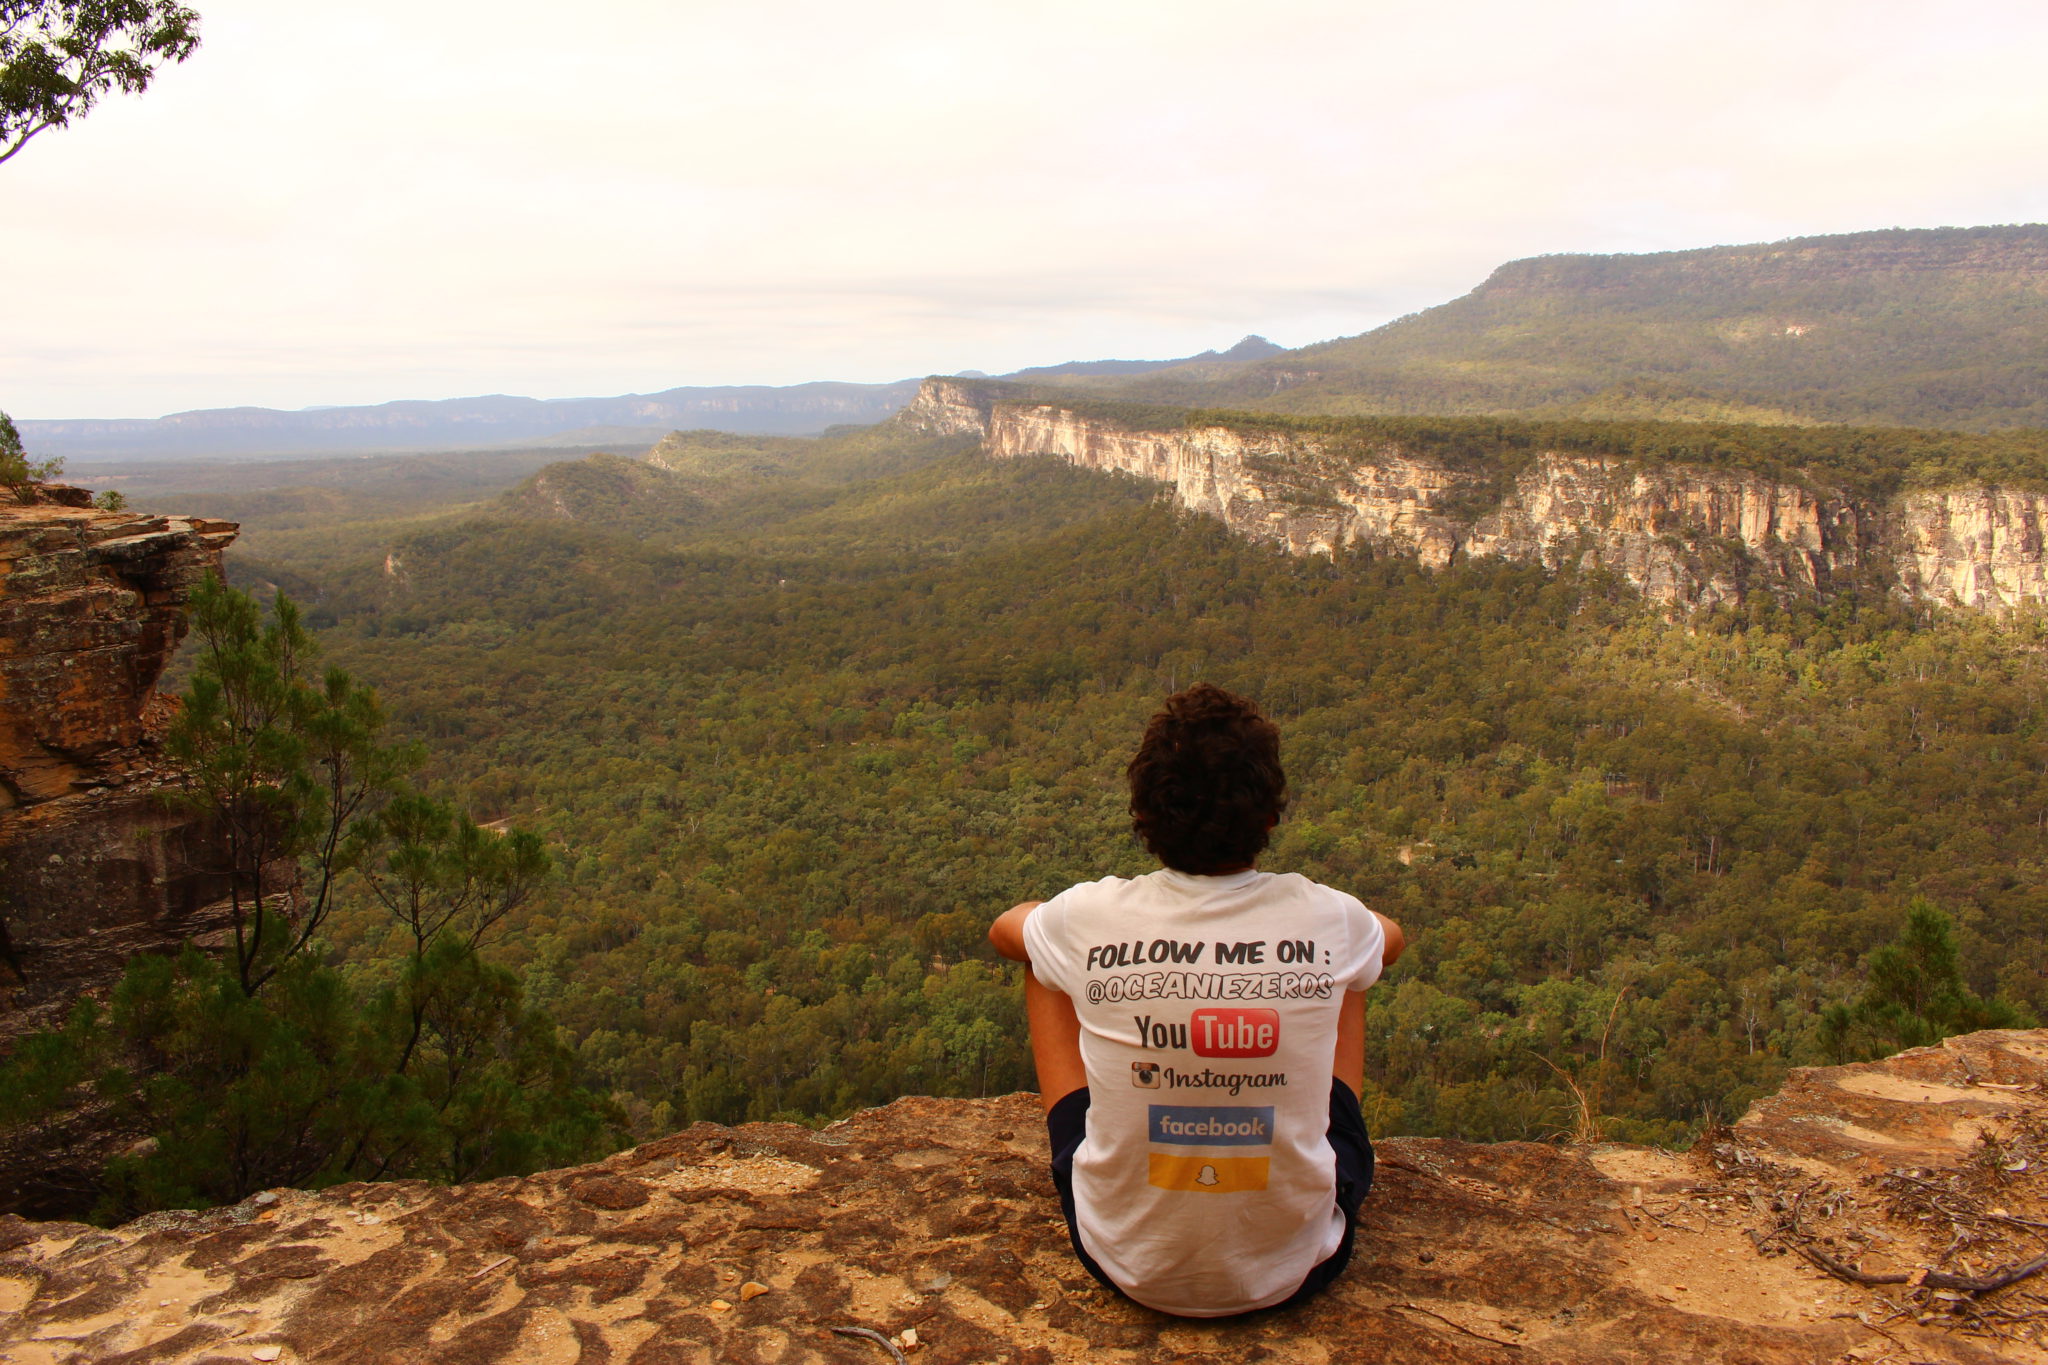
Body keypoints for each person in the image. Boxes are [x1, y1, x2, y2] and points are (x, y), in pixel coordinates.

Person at [990, 683, 1405, 1317]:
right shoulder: (1330, 919)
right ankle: (1321, 1137)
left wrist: (1052, 925)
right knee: (1352, 973)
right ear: (1268, 817)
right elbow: (1391, 940)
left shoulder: (1090, 915)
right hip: (1295, 1268)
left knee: (1041, 964)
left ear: (1146, 813)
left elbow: (1005, 930)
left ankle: (1073, 1146)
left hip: (1123, 1259)